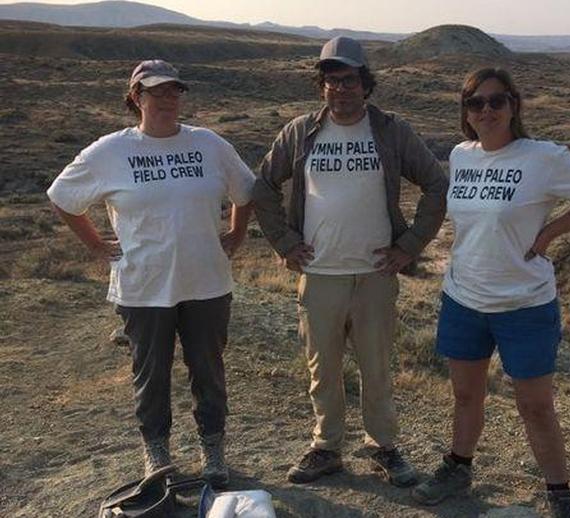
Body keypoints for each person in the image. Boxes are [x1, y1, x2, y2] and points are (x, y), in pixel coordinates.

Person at [410, 68, 570, 516]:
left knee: (536, 407)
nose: (486, 110)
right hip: (463, 296)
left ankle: (560, 495)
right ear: (465, 111)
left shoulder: (543, 157)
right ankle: (458, 466)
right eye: (475, 103)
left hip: (524, 304)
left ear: (513, 105)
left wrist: (548, 235)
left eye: (495, 101)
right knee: (466, 396)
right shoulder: (461, 155)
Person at [47, 60, 256, 486]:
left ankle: (212, 450)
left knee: (209, 371)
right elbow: (63, 197)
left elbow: (246, 189)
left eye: (174, 92)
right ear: (136, 98)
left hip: (207, 283)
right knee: (151, 374)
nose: (166, 100)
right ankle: (156, 453)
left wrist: (236, 232)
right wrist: (95, 245)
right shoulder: (109, 151)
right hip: (143, 286)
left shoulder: (210, 145)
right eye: (155, 92)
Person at [252, 37, 448, 487]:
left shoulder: (391, 130)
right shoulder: (300, 131)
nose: (341, 89)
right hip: (319, 274)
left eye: (350, 79)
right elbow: (264, 186)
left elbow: (436, 185)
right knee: (324, 368)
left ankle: (384, 446)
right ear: (321, 86)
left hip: (375, 273)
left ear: (366, 83)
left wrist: (411, 244)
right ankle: (326, 448)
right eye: (331, 80)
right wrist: (284, 242)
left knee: (376, 364)